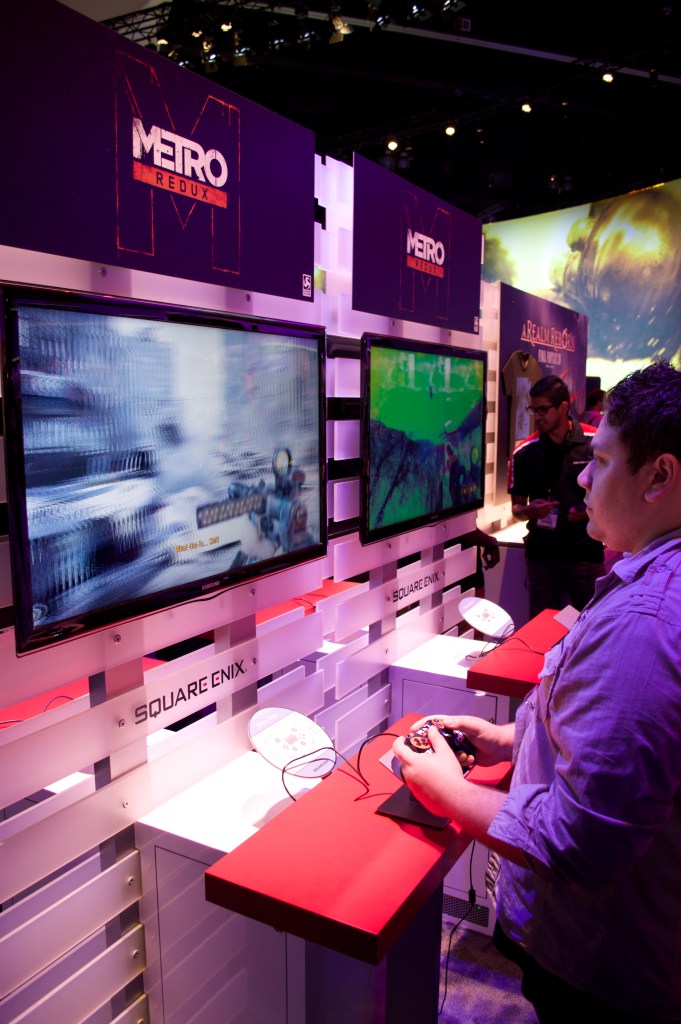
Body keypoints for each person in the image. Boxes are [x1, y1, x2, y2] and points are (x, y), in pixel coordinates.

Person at [393, 361, 681, 1022]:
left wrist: (447, 792)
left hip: (600, 971)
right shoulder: (649, 585)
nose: (582, 477)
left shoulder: (646, 624)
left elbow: (580, 842)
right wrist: (512, 737)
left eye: (601, 461)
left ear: (659, 476)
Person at [509, 375, 604, 617]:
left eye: (543, 410)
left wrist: (585, 514)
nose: (537, 416)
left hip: (585, 554)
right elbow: (517, 510)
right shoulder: (525, 453)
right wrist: (530, 511)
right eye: (533, 410)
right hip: (542, 556)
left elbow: (613, 498)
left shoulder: (596, 444)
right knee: (541, 627)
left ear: (563, 407)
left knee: (590, 624)